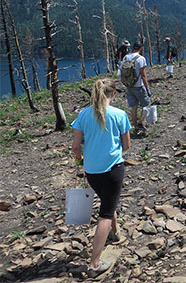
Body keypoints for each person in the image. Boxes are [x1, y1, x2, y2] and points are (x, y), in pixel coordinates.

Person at [71, 78, 131, 277]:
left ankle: (115, 232)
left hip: (92, 171)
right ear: (113, 94)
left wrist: (80, 159)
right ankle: (94, 263)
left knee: (107, 201)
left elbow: (75, 146)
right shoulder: (120, 115)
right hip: (113, 168)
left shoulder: (83, 114)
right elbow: (127, 145)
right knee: (105, 213)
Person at [122, 40, 151, 131]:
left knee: (134, 107)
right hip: (139, 86)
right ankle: (140, 123)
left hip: (129, 86)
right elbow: (143, 75)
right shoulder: (141, 58)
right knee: (147, 105)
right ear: (141, 48)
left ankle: (135, 127)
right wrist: (147, 88)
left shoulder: (126, 57)